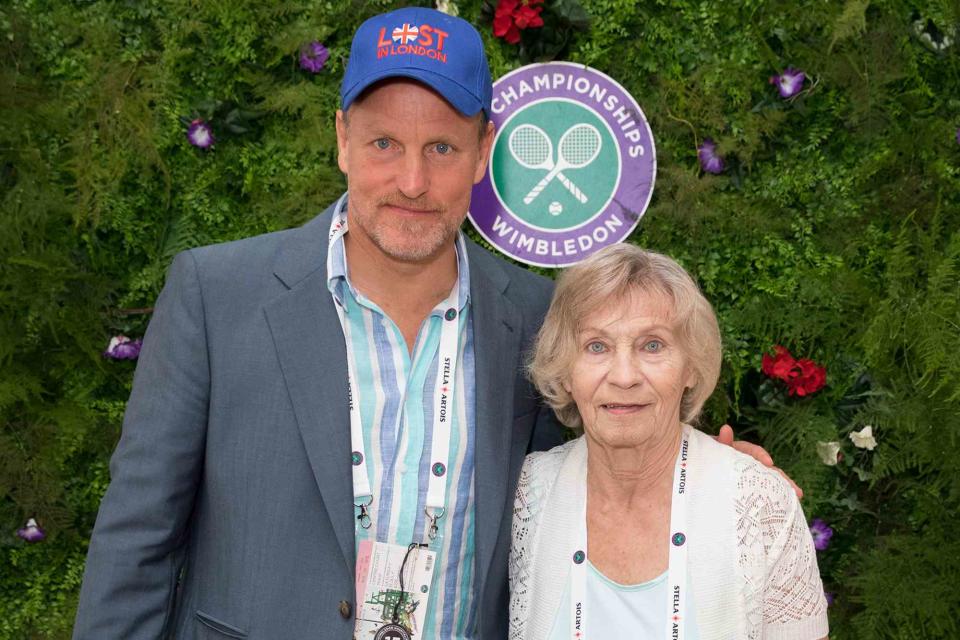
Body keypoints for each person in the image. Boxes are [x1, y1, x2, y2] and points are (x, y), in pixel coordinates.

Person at [73, 7, 784, 639]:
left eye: (441, 148)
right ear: (343, 139)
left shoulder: (537, 320)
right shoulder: (216, 294)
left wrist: (708, 478)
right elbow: (138, 539)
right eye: (385, 144)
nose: (412, 182)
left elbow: (593, 480)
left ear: (483, 151)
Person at [510, 244, 829, 639]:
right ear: (564, 369)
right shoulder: (525, 494)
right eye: (597, 346)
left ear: (691, 366)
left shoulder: (760, 504)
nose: (624, 376)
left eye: (652, 345)